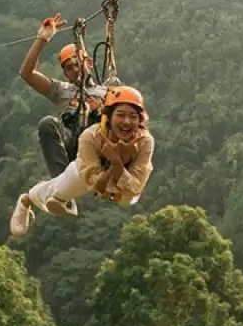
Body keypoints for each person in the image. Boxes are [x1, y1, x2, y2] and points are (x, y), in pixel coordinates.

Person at [9, 85, 154, 238]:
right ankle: (27, 199)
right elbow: (95, 185)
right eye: (121, 115)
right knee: (59, 190)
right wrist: (114, 165)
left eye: (133, 117)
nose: (126, 122)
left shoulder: (144, 142)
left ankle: (57, 199)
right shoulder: (90, 137)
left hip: (122, 185)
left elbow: (135, 188)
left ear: (140, 121)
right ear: (108, 117)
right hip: (91, 173)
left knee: (126, 198)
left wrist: (117, 162)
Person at [18, 13, 107, 215]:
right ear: (65, 73)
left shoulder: (107, 93)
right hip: (73, 152)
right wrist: (42, 39)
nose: (75, 70)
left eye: (78, 64)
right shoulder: (62, 90)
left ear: (89, 63)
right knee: (48, 123)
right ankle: (63, 193)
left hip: (99, 154)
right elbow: (26, 74)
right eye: (69, 68)